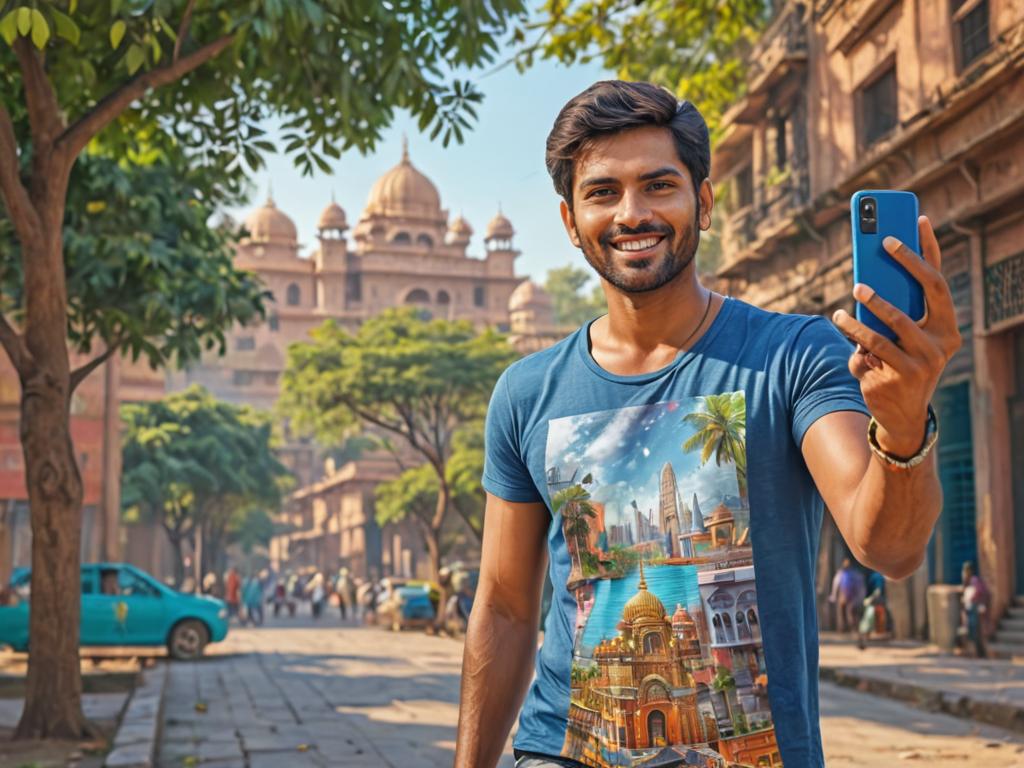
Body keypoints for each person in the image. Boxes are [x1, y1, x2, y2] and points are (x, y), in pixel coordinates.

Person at [454, 81, 960, 768]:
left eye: (659, 184)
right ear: (571, 221)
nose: (633, 213)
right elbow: (507, 607)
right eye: (603, 192)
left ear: (705, 201)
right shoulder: (527, 392)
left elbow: (890, 550)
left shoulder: (793, 356)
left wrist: (902, 430)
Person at [960, 560, 991, 658]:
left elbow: (980, 592)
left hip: (975, 609)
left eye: (966, 571)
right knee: (971, 631)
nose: (964, 573)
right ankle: (974, 653)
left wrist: (973, 599)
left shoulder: (974, 580)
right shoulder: (967, 581)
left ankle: (979, 654)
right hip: (970, 609)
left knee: (975, 631)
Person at [830, 557, 867, 633]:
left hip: (848, 595)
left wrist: (833, 595)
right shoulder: (844, 573)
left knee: (850, 612)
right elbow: (836, 585)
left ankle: (851, 628)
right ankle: (845, 628)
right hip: (846, 595)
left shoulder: (849, 573)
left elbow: (836, 585)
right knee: (845, 612)